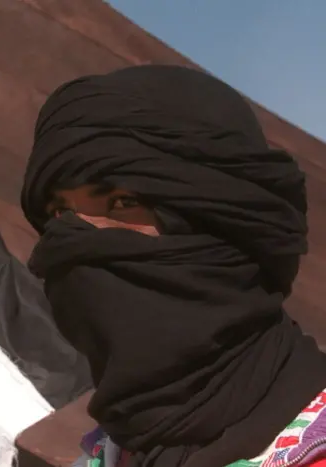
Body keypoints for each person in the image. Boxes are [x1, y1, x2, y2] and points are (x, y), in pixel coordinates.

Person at [20, 65, 326, 467]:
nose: (78, 242)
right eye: (60, 213)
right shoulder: (103, 456)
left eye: (122, 202)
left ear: (223, 223)